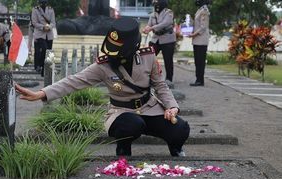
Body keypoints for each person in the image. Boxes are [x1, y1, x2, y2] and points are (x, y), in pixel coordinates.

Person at [15, 17, 190, 157]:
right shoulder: (103, 66)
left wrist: (172, 107)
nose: (111, 53)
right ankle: (123, 149)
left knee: (181, 129)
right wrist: (41, 93)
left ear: (133, 47)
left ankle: (176, 150)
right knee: (132, 124)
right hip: (121, 112)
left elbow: (160, 86)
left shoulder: (148, 57)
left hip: (149, 108)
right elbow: (73, 81)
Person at [143, 0, 176, 88]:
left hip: (167, 40)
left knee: (168, 60)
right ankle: (148, 78)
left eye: (157, 2)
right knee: (149, 58)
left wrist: (151, 28)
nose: (155, 4)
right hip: (155, 39)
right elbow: (148, 24)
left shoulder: (169, 13)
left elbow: (165, 23)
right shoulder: (153, 14)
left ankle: (169, 79)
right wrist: (146, 29)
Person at [188, 0, 211, 86]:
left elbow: (203, 27)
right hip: (197, 40)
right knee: (197, 61)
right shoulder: (200, 10)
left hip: (201, 40)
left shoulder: (204, 11)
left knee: (200, 61)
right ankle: (198, 79)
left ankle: (200, 80)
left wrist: (193, 34)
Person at [31, 0, 56, 76]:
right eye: (42, 2)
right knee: (44, 49)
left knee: (49, 53)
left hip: (49, 34)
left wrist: (49, 27)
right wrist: (43, 27)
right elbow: (34, 22)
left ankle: (45, 71)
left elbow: (53, 22)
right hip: (40, 34)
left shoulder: (51, 10)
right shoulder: (35, 10)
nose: (43, 4)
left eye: (45, 2)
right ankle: (40, 65)